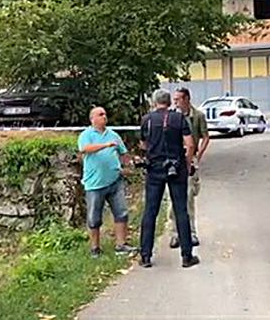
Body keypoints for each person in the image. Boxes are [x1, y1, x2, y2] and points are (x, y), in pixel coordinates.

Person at [139, 89, 200, 268]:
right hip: (176, 167)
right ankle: (187, 256)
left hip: (154, 168)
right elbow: (190, 144)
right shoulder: (179, 118)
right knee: (181, 210)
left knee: (150, 211)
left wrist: (152, 151)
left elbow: (143, 144)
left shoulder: (147, 120)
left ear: (154, 102)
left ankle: (145, 255)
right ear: (169, 102)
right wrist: (187, 163)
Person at [78, 107, 137, 258]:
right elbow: (85, 149)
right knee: (94, 218)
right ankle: (95, 248)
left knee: (121, 212)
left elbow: (123, 153)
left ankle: (121, 244)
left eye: (105, 114)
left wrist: (128, 165)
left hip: (115, 181)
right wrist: (105, 145)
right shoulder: (86, 135)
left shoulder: (113, 135)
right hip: (94, 184)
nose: (104, 116)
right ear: (92, 119)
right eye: (100, 114)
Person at [168, 87, 210, 249]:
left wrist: (198, 156)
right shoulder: (171, 116)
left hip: (190, 158)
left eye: (178, 99)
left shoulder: (197, 116)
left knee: (189, 196)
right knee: (173, 198)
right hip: (175, 158)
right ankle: (175, 233)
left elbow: (205, 137)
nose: (175, 102)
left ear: (186, 99)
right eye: (174, 100)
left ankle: (191, 232)